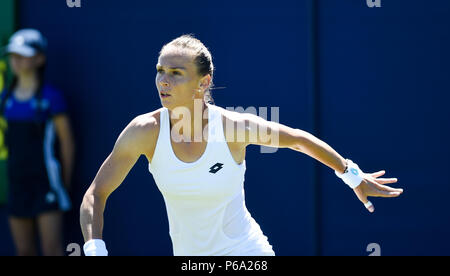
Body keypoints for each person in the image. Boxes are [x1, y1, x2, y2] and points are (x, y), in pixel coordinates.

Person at [80, 34, 403, 256]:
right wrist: (95, 249)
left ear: (203, 82)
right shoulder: (144, 131)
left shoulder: (234, 127)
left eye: (176, 73)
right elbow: (96, 193)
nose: (163, 80)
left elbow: (297, 139)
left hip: (246, 253)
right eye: (160, 71)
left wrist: (352, 175)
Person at [0, 29, 75, 256]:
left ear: (40, 58)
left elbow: (67, 142)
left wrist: (64, 183)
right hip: (16, 183)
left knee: (52, 250)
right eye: (14, 55)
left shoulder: (51, 97)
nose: (17, 60)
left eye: (23, 55)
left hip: (47, 184)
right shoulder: (5, 98)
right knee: (23, 251)